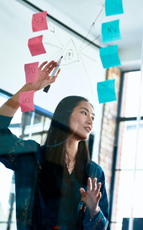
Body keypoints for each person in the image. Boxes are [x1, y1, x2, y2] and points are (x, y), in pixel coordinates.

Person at [0, 60, 109, 230]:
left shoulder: (94, 173)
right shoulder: (33, 156)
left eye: (93, 117)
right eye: (84, 112)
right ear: (64, 116)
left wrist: (94, 210)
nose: (90, 121)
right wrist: (27, 88)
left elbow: (104, 227)